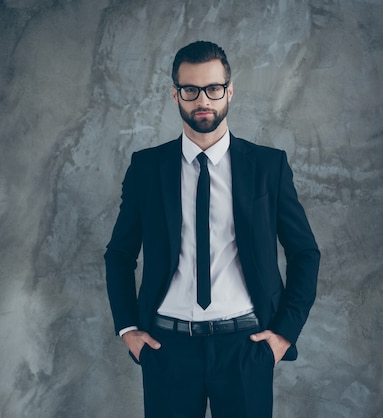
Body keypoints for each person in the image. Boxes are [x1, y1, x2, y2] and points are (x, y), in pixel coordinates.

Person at [104, 40, 320, 418]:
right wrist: (128, 330)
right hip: (166, 349)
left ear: (229, 91)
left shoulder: (268, 167)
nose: (203, 99)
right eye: (190, 89)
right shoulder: (147, 169)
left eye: (213, 88)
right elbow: (119, 255)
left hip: (245, 347)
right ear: (175, 94)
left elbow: (305, 254)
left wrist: (284, 334)